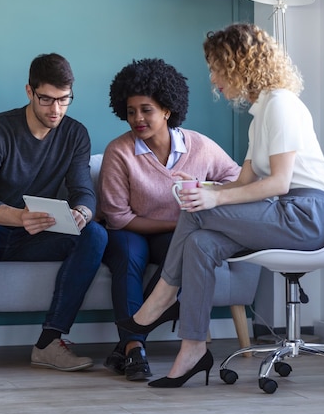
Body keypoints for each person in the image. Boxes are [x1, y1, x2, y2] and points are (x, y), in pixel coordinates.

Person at [117, 23, 324, 388]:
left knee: (196, 210)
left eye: (217, 68)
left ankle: (159, 299)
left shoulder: (281, 105)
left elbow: (280, 182)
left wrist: (212, 199)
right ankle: (192, 348)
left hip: (306, 216)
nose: (214, 79)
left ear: (240, 64)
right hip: (284, 211)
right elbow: (244, 183)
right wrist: (203, 187)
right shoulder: (261, 112)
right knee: (201, 243)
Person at [0, 53, 108, 378]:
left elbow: (83, 191)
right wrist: (19, 217)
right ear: (29, 92)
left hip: (35, 238)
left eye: (64, 100)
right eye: (47, 99)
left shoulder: (76, 135)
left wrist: (82, 212)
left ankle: (49, 342)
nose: (56, 110)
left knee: (95, 234)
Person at [100, 58, 241, 381]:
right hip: (131, 230)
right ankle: (134, 347)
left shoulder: (201, 147)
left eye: (146, 109)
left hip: (175, 234)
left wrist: (206, 190)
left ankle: (129, 346)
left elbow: (237, 181)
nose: (137, 118)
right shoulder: (119, 152)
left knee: (184, 253)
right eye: (131, 110)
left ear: (166, 109)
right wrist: (179, 225)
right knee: (127, 256)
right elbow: (119, 217)